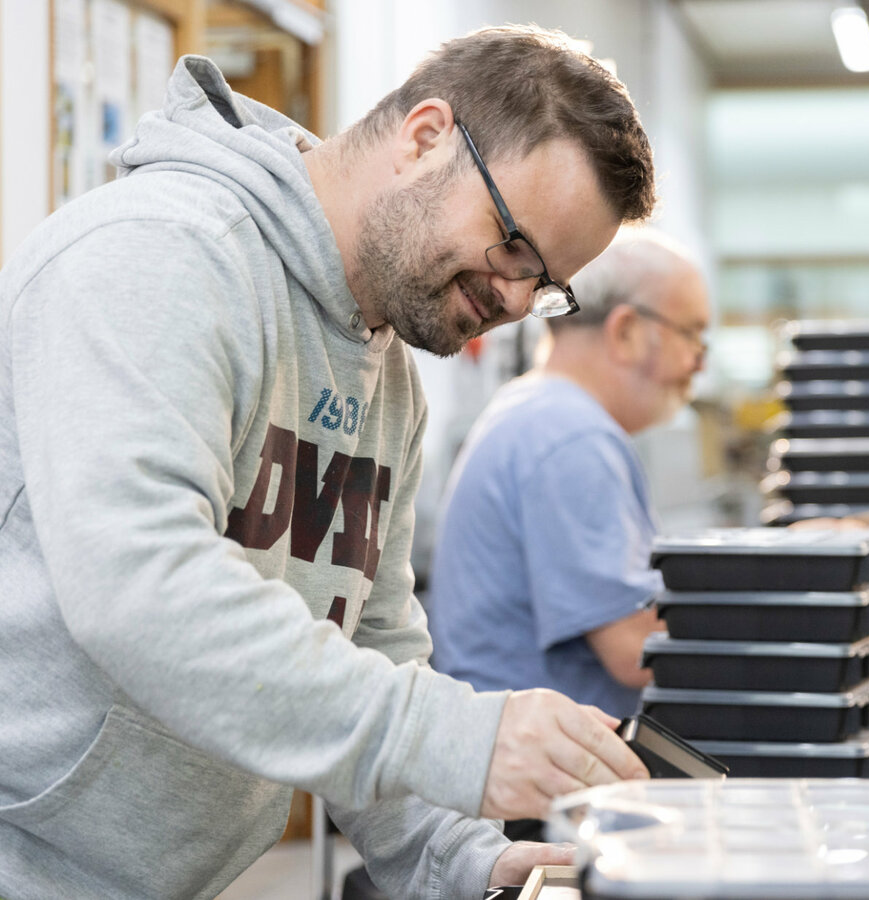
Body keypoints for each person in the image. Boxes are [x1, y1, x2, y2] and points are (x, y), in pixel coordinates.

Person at [0, 25, 657, 900]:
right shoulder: (161, 254)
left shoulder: (387, 379)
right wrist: (464, 739)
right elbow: (140, 588)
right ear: (425, 138)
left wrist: (457, 853)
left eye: (545, 285)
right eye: (513, 244)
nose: (512, 299)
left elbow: (375, 646)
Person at [428, 230, 709, 726]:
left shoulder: (540, 411)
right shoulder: (572, 436)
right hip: (536, 786)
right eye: (692, 335)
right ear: (624, 331)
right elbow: (637, 649)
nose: (698, 363)